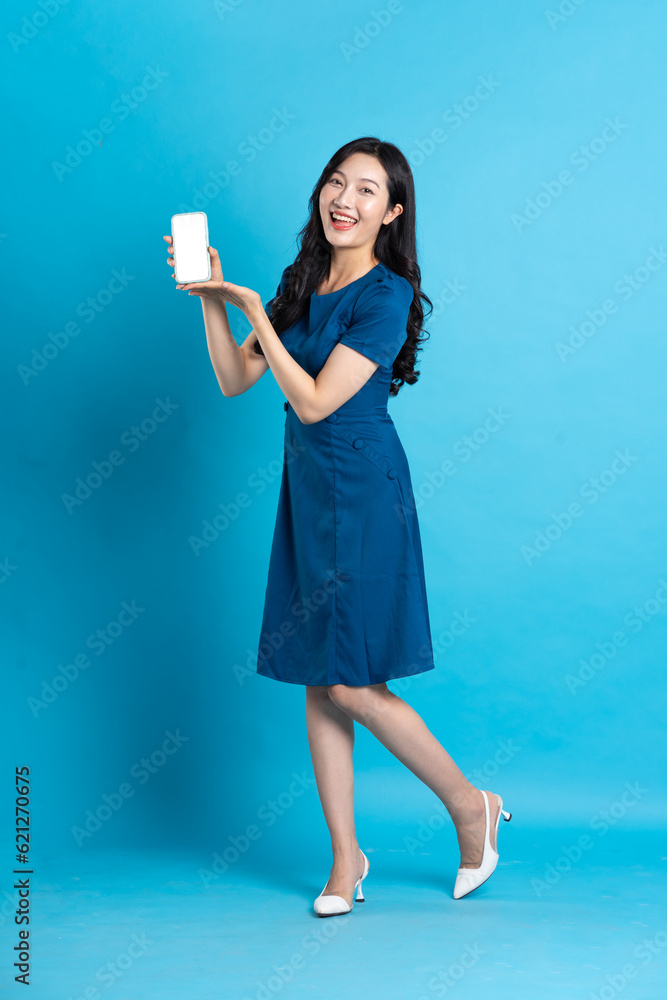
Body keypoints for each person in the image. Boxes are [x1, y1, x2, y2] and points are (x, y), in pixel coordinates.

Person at [163, 136, 511, 915]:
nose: (343, 199)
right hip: (309, 492)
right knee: (321, 677)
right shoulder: (302, 281)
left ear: (391, 213)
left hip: (363, 492)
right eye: (335, 182)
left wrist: (254, 311)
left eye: (365, 190)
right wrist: (214, 299)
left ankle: (470, 806)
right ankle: (345, 859)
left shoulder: (386, 296)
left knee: (352, 682)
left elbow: (318, 401)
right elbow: (234, 379)